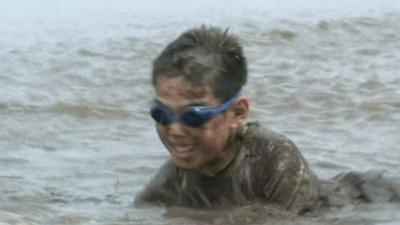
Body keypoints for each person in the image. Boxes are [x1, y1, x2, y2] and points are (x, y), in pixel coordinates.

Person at [134, 25, 321, 215]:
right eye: (161, 114)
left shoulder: (274, 160)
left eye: (193, 116)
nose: (175, 129)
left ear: (237, 113)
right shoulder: (172, 179)